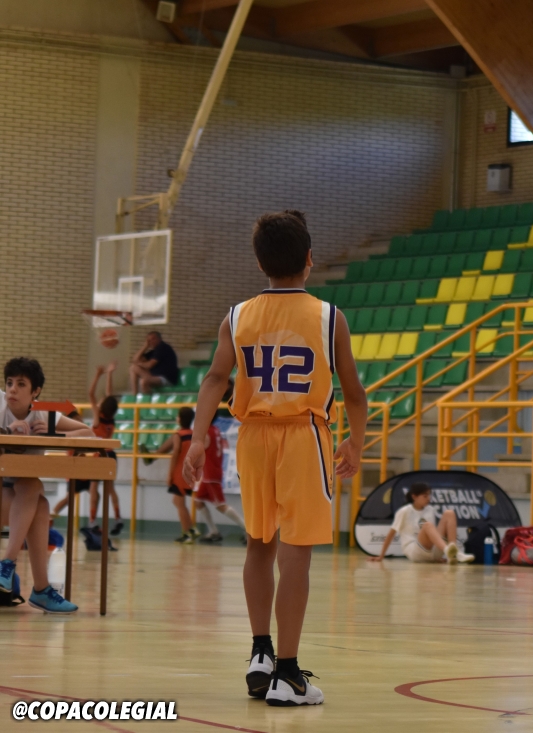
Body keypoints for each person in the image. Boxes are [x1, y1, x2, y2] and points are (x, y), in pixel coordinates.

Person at [182, 209, 366, 707]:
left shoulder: (237, 315)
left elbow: (214, 379)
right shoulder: (329, 317)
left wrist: (198, 439)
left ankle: (260, 653)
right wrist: (355, 441)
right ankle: (288, 674)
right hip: (304, 434)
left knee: (259, 544)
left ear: (260, 262)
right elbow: (354, 391)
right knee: (295, 554)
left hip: (253, 435)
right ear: (310, 259)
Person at [0, 357, 93, 613]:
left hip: (17, 498)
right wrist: (6, 432)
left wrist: (56, 434)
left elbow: (88, 432)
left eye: (21, 384)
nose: (12, 390)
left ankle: (11, 568)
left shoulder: (44, 415)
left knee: (37, 499)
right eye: (9, 383)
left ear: (35, 392)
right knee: (35, 498)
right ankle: (38, 588)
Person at [52, 365, 123, 537]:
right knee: (107, 489)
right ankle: (117, 518)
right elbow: (109, 395)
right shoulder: (111, 419)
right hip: (108, 455)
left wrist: (98, 375)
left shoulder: (97, 419)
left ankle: (92, 521)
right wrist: (109, 374)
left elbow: (92, 394)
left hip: (98, 455)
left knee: (94, 489)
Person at [194, 385, 247, 545]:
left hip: (210, 473)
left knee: (220, 505)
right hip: (212, 471)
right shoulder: (215, 430)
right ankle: (213, 531)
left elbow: (199, 451)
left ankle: (248, 531)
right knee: (198, 501)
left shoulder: (206, 433)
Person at [370, 483, 475, 564]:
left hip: (431, 550)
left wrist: (436, 557)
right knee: (427, 525)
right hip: (414, 551)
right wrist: (381, 556)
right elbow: (391, 533)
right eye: (425, 496)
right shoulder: (404, 511)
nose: (428, 498)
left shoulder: (430, 510)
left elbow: (433, 536)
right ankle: (450, 552)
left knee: (449, 513)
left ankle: (454, 553)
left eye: (429, 495)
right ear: (414, 496)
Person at [155, 407, 199, 544]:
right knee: (177, 501)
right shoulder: (193, 434)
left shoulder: (178, 435)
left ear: (180, 419)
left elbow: (175, 454)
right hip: (190, 470)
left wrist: (170, 474)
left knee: (179, 502)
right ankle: (192, 529)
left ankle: (187, 533)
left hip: (180, 472)